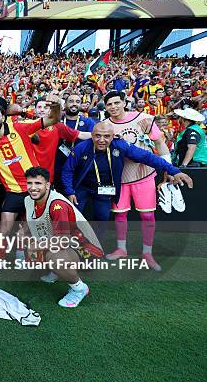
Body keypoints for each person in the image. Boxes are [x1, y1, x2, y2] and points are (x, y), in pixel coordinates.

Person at [0, 94, 62, 274]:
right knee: (4, 230)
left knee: (37, 230)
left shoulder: (20, 128)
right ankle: (0, 260)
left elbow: (53, 118)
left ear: (3, 116)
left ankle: (48, 265)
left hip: (35, 190)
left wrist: (55, 105)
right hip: (13, 192)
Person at [62, 122, 193, 245]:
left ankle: (96, 245)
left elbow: (147, 157)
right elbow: (67, 169)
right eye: (97, 136)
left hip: (104, 189)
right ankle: (73, 244)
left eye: (107, 136)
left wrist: (173, 170)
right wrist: (69, 191)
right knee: (73, 216)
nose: (101, 140)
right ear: (91, 135)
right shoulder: (82, 147)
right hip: (82, 187)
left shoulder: (120, 145)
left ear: (113, 136)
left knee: (102, 218)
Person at [102, 90, 175, 271]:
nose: (113, 107)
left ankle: (147, 253)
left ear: (124, 102)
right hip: (119, 178)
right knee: (120, 215)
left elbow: (159, 144)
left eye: (116, 103)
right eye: (109, 104)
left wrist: (169, 167)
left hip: (144, 175)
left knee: (147, 215)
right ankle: (121, 249)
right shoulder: (104, 125)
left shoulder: (144, 119)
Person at [22, 167, 103, 308]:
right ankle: (57, 271)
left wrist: (36, 246)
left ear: (47, 185)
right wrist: (23, 232)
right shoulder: (28, 200)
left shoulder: (57, 204)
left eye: (38, 183)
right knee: (33, 248)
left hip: (86, 250)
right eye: (30, 183)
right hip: (65, 243)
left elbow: (63, 241)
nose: (33, 188)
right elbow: (32, 219)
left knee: (54, 258)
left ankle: (79, 288)